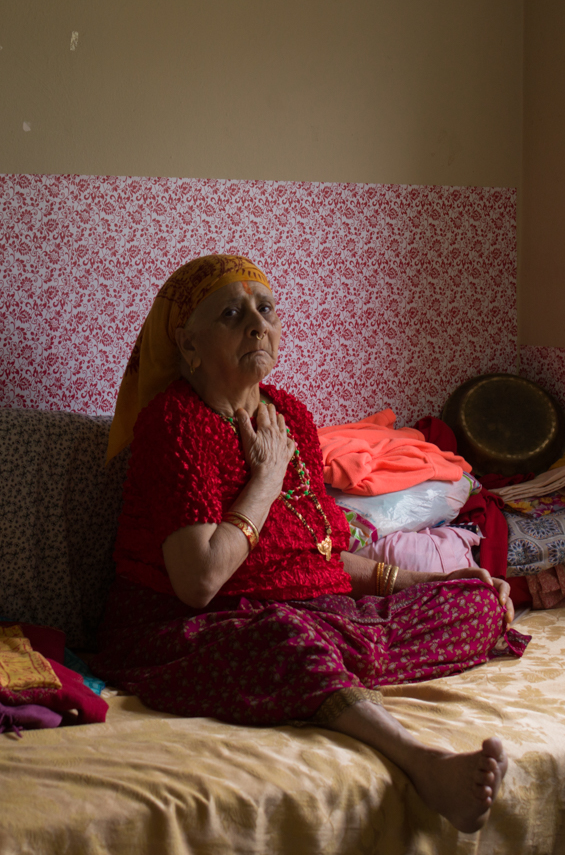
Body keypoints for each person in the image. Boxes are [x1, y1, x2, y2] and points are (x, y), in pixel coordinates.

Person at [93, 254, 529, 835]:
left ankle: (323, 674)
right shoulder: (175, 423)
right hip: (193, 628)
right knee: (286, 636)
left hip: (324, 613)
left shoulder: (291, 415)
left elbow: (320, 553)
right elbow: (198, 583)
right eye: (231, 313)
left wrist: (436, 583)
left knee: (479, 603)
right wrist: (267, 478)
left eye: (265, 308)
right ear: (188, 344)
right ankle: (425, 764)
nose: (257, 324)